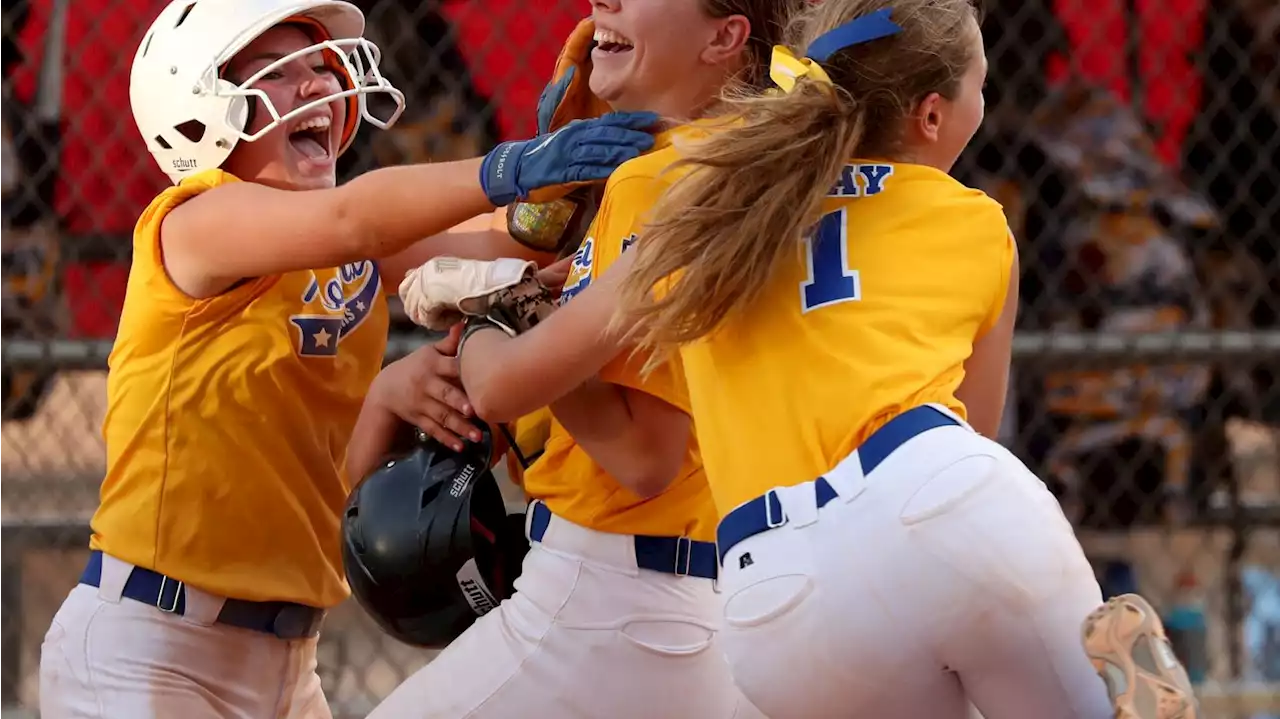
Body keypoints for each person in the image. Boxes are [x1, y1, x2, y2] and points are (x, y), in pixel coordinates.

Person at [403, 1, 1202, 718]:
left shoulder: (704, 197)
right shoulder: (971, 218)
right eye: (978, 90)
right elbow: (976, 431)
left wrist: (489, 305)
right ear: (931, 115)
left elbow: (517, 380)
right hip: (935, 486)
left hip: (773, 580)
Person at [35, 0, 659, 716]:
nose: (317, 87)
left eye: (320, 69)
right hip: (152, 648)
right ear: (196, 107)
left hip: (289, 661)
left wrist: (561, 197)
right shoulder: (194, 223)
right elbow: (352, 217)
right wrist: (513, 166)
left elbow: (509, 245)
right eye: (280, 71)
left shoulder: (356, 251)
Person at [350, 2, 792, 718]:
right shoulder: (727, 168)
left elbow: (644, 453)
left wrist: (505, 310)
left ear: (726, 36)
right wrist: (544, 215)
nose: (602, 4)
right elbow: (386, 246)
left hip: (607, 594)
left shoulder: (666, 183)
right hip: (691, 598)